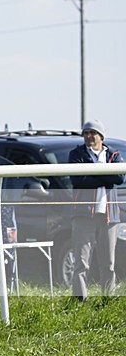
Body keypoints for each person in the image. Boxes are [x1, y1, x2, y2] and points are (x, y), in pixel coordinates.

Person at [69, 119, 125, 301]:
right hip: (83, 213)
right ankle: (80, 301)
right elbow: (79, 181)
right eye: (85, 133)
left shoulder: (114, 154)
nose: (88, 136)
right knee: (81, 262)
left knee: (108, 262)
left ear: (101, 136)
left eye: (92, 133)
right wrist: (104, 175)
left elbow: (118, 178)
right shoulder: (76, 154)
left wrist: (93, 173)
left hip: (110, 215)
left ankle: (108, 299)